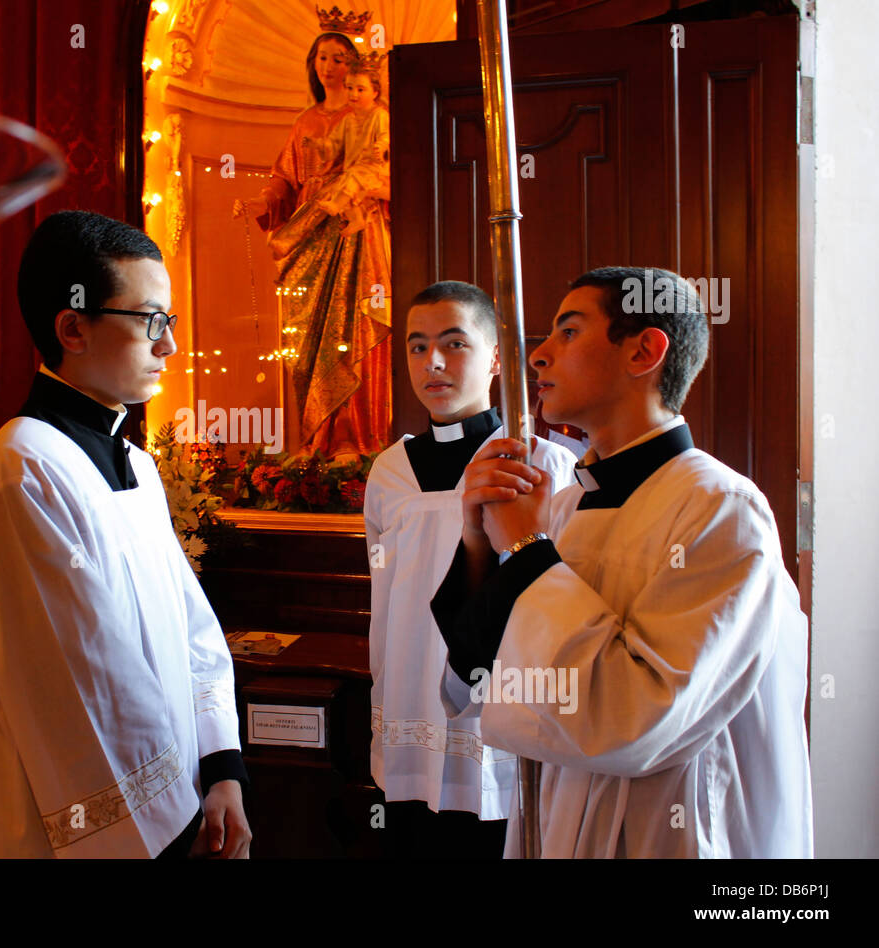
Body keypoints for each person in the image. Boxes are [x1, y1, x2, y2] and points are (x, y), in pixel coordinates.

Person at [432, 266, 813, 858]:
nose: (539, 358)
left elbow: (635, 717)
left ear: (644, 351)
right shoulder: (562, 506)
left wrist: (529, 552)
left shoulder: (720, 510)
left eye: (569, 332)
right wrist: (480, 539)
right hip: (560, 816)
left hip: (669, 829)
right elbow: (469, 682)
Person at [0, 210, 251, 858]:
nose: (169, 347)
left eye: (169, 323)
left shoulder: (138, 466)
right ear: (73, 327)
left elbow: (193, 632)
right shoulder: (23, 468)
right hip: (101, 830)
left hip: (185, 801)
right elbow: (82, 681)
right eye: (151, 322)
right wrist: (171, 826)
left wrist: (222, 771)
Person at [363, 281, 576, 858]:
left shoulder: (542, 465)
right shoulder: (388, 472)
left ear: (496, 357)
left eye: (454, 344)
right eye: (416, 346)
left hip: (499, 718)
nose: (432, 362)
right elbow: (387, 596)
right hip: (409, 703)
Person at [233, 31, 391, 460]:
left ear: (356, 69)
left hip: (352, 228)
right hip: (308, 231)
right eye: (323, 57)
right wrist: (262, 201)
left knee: (353, 325)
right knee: (306, 339)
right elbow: (284, 179)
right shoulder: (305, 122)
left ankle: (356, 438)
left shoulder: (370, 116)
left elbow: (386, 166)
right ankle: (316, 437)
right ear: (312, 62)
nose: (330, 65)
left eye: (340, 58)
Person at [310, 55, 390, 239]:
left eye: (360, 89)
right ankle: (355, 219)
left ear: (375, 92)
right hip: (354, 170)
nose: (354, 94)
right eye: (350, 88)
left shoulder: (379, 115)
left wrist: (380, 147)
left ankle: (339, 208)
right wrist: (321, 144)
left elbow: (386, 136)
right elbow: (334, 144)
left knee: (351, 183)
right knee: (344, 185)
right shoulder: (348, 120)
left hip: (374, 169)